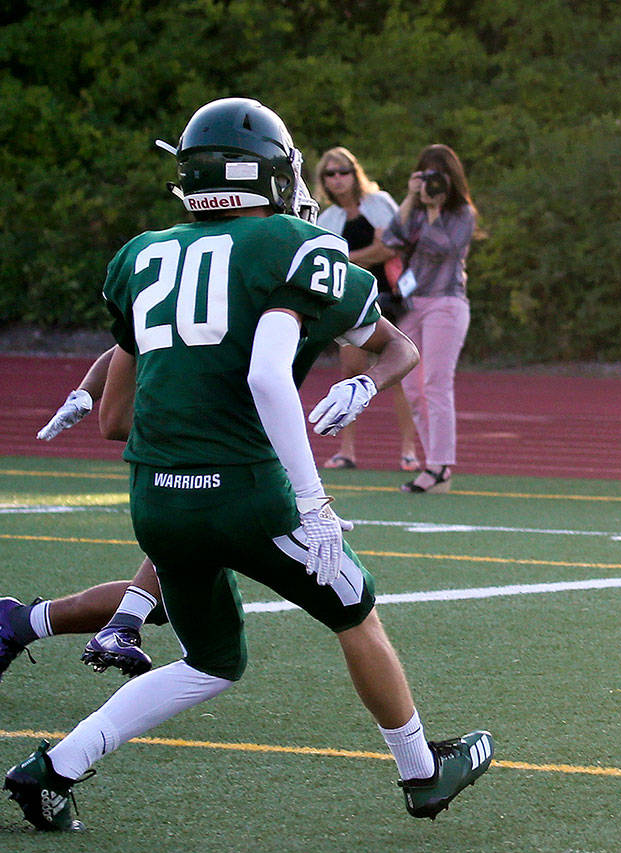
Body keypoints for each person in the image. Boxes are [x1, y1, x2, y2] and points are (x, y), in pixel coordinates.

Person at [3, 98, 493, 832]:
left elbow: (116, 416)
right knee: (355, 609)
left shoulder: (142, 254)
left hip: (156, 495)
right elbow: (268, 375)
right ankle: (423, 772)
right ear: (270, 171)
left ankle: (53, 768)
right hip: (248, 490)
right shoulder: (291, 246)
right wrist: (315, 501)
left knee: (211, 660)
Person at [2, 271, 423, 681]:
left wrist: (365, 384)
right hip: (202, 436)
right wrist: (86, 391)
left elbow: (398, 346)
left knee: (185, 572)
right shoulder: (236, 265)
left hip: (217, 443)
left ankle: (29, 622)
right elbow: (129, 352)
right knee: (205, 541)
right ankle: (110, 626)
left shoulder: (310, 273)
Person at [381, 144, 481, 493]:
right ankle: (433, 464)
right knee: (411, 387)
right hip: (411, 305)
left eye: (439, 177)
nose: (433, 183)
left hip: (446, 304)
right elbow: (390, 240)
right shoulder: (416, 210)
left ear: (452, 180)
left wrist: (436, 210)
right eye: (427, 175)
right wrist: (411, 200)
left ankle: (440, 467)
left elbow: (445, 248)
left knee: (437, 383)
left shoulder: (463, 213)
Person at [314, 147, 420, 472]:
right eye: (330, 174)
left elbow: (389, 247)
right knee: (350, 374)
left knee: (396, 372)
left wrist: (349, 260)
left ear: (354, 172)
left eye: (343, 171)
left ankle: (408, 450)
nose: (337, 179)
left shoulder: (378, 203)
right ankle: (346, 450)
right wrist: (367, 255)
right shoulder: (327, 219)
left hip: (388, 297)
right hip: (350, 305)